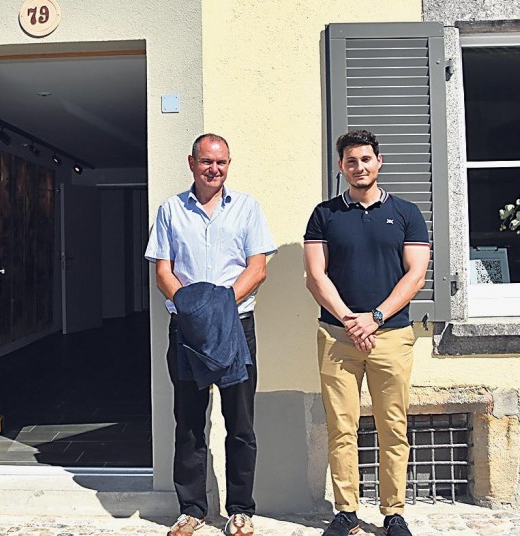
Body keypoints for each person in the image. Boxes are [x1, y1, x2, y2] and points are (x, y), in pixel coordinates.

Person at [145, 134, 277, 536]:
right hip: (187, 332)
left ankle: (240, 509)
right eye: (206, 162)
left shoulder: (248, 208)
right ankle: (191, 510)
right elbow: (163, 271)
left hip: (236, 328)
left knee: (240, 424)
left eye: (221, 163)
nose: (213, 169)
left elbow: (257, 268)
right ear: (191, 163)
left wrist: (216, 307)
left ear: (228, 164)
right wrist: (195, 311)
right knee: (188, 423)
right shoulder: (170, 210)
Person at [303, 130, 430, 536]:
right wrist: (348, 320)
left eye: (366, 159)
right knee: (342, 426)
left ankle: (393, 512)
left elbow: (416, 274)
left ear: (379, 163)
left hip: (391, 335)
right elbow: (315, 275)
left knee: (393, 426)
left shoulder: (407, 212)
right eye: (351, 161)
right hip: (337, 336)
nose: (360, 167)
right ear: (341, 166)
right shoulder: (324, 214)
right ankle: (346, 511)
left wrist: (373, 317)